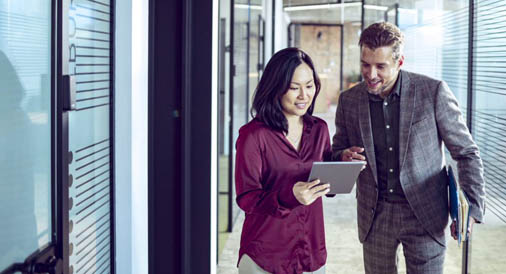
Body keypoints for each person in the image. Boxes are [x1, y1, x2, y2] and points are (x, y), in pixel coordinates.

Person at [331, 22, 485, 274]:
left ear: (399, 62)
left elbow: (466, 152)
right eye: (365, 64)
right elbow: (337, 150)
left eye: (380, 66)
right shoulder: (349, 100)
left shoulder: (432, 92)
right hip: (375, 214)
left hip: (425, 214)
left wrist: (472, 208)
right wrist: (342, 156)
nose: (370, 74)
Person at [235, 47, 331, 274]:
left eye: (309, 86)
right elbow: (247, 198)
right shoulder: (253, 135)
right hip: (266, 256)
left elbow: (325, 180)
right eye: (293, 88)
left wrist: (342, 162)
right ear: (276, 88)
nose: (304, 95)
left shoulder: (320, 129)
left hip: (311, 254)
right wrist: (289, 196)